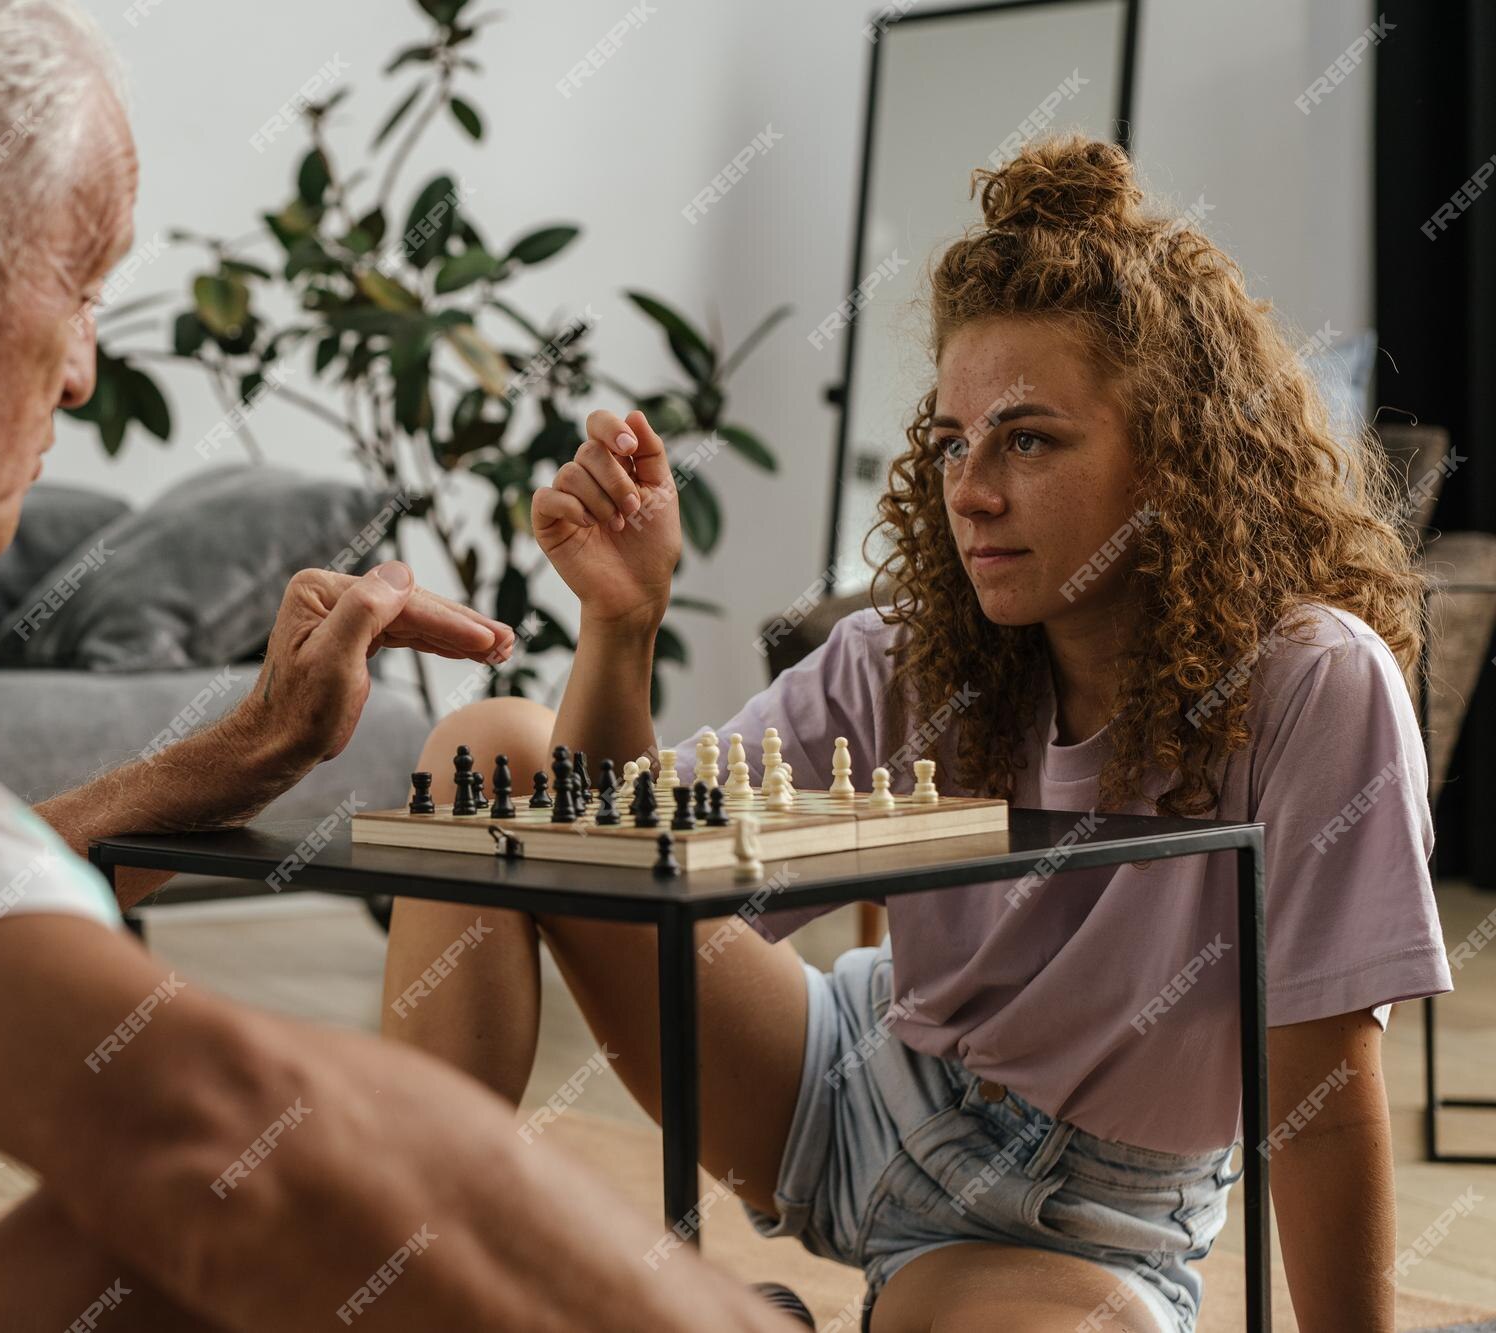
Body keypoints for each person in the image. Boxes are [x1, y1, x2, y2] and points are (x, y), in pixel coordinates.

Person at [0, 2, 804, 1329]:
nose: (84, 370)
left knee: (208, 1219)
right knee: (271, 1162)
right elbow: (217, 1132)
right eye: (81, 287)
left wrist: (247, 754)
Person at [382, 133, 1453, 1333]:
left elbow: (1320, 1093)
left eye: (1027, 439)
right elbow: (634, 861)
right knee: (490, 755)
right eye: (952, 441)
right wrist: (620, 628)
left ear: (1172, 458)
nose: (969, 488)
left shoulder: (1309, 682)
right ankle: (397, 1262)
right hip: (839, 1074)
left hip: (1069, 1219)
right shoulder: (906, 657)